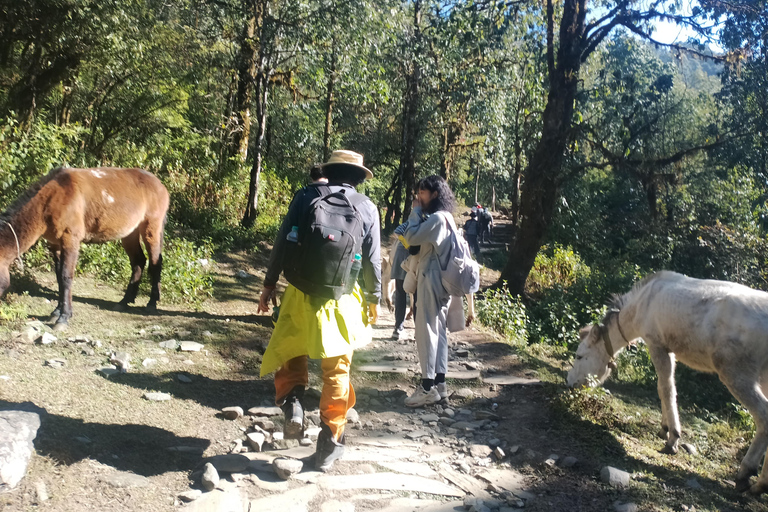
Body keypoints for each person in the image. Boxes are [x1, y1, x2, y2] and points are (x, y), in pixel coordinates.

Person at [257, 149, 381, 471]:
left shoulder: (305, 196)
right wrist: (373, 299)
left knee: (291, 347)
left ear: (330, 171)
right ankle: (329, 442)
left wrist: (269, 286)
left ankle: (293, 405)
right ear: (358, 178)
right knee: (337, 370)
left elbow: (283, 243)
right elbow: (372, 261)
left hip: (299, 291)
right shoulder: (367, 207)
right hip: (342, 299)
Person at [402, 175, 462, 407]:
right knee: (439, 330)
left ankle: (427, 387)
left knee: (426, 329)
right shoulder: (448, 218)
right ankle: (440, 384)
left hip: (430, 277)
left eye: (423, 193)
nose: (419, 197)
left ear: (435, 194)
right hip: (444, 280)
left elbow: (410, 236)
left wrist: (415, 212)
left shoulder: (436, 219)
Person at [390, 222, 410, 340]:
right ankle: (399, 327)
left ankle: (400, 328)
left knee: (405, 295)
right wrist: (407, 245)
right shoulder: (418, 219)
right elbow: (398, 231)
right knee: (403, 294)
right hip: (405, 258)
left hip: (414, 259)